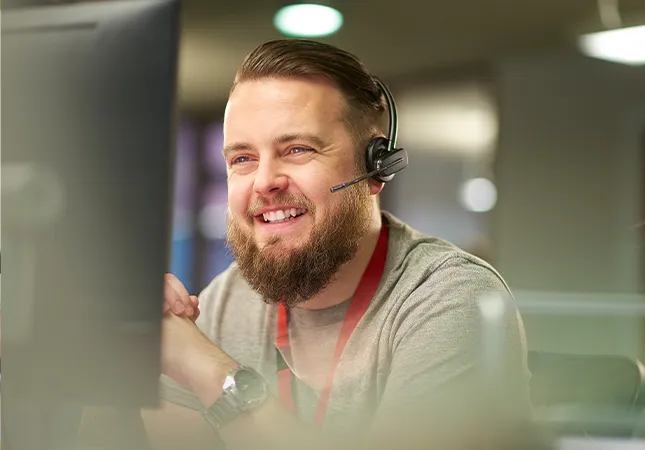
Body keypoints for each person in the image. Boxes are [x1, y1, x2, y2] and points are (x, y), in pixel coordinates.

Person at [92, 39, 534, 450]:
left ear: (375, 168)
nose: (264, 182)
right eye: (242, 159)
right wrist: (120, 353)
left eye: (297, 149)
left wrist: (211, 370)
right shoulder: (229, 298)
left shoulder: (451, 302)